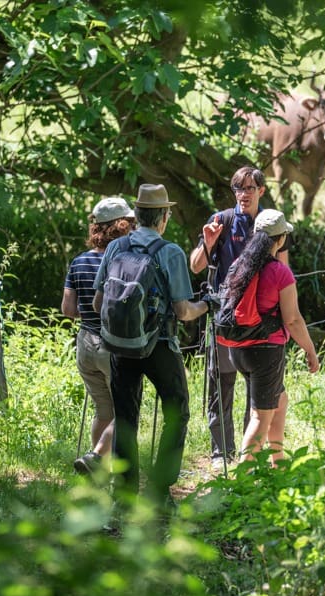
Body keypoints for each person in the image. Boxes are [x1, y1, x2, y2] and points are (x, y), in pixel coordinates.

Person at [92, 184, 209, 507]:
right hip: (158, 345)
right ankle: (159, 490)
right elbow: (185, 312)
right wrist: (207, 305)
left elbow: (99, 301)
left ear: (137, 216)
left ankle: (124, 494)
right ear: (163, 218)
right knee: (177, 411)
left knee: (126, 417)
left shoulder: (116, 247)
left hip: (119, 345)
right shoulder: (169, 252)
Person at [189, 166, 289, 470]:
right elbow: (195, 266)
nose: (243, 194)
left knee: (258, 391)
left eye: (249, 188)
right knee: (220, 385)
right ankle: (222, 453)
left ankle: (251, 453)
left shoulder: (272, 225)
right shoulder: (221, 221)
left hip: (262, 320)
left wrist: (286, 317)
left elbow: (285, 275)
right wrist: (209, 242)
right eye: (238, 189)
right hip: (226, 318)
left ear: (261, 190)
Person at [215, 209, 319, 466]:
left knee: (279, 398)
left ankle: (278, 461)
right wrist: (310, 350)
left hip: (237, 349)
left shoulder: (239, 265)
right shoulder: (280, 272)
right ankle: (243, 477)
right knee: (260, 415)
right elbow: (292, 319)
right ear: (280, 239)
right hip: (265, 351)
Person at [62, 197, 135, 475]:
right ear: (120, 226)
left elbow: (68, 309)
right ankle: (95, 456)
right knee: (126, 412)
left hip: (85, 345)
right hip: (112, 344)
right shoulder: (123, 261)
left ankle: (96, 474)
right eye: (130, 223)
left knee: (103, 410)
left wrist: (90, 314)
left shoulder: (78, 262)